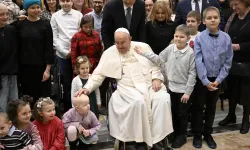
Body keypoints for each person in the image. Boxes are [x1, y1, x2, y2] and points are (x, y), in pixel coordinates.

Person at [75, 28, 173, 150]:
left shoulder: (143, 46)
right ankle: (138, 141)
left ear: (130, 39)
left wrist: (156, 78)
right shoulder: (109, 53)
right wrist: (87, 88)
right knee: (138, 102)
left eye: (123, 42)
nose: (120, 46)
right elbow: (98, 74)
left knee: (162, 98)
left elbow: (156, 65)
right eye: (117, 43)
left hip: (149, 84)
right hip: (128, 87)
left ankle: (159, 140)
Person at [136, 24, 196, 149]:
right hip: (171, 88)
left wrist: (188, 92)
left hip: (183, 91)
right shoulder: (170, 48)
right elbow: (158, 59)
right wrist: (144, 53)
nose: (178, 39)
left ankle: (182, 135)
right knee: (173, 112)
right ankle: (173, 133)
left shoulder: (190, 53)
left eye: (182, 37)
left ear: (188, 38)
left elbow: (192, 74)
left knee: (182, 114)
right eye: (176, 36)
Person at [192, 6, 233, 149]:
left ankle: (207, 134)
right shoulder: (199, 38)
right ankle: (197, 134)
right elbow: (198, 60)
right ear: (203, 21)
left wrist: (218, 80)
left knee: (211, 108)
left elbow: (228, 61)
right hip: (202, 79)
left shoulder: (226, 38)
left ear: (220, 19)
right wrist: (205, 81)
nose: (212, 20)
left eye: (215, 17)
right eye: (209, 18)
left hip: (217, 80)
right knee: (198, 108)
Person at [218, 0, 250, 134]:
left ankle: (245, 120)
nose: (233, 7)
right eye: (232, 5)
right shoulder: (233, 17)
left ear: (246, 3)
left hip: (247, 61)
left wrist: (240, 46)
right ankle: (231, 115)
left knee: (246, 93)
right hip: (232, 61)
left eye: (237, 4)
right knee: (232, 90)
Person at [18, 0, 54, 104]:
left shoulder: (46, 25)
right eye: (32, 8)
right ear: (26, 9)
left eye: (38, 7)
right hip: (25, 68)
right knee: (27, 98)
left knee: (42, 99)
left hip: (41, 68)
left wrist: (47, 70)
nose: (36, 10)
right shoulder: (20, 25)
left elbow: (49, 49)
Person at [51, 0, 83, 112]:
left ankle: (81, 106)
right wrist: (65, 52)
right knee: (66, 82)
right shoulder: (55, 16)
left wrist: (73, 51)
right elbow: (54, 37)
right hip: (62, 54)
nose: (66, 3)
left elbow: (81, 33)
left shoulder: (79, 15)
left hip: (77, 53)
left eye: (68, 1)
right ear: (59, 2)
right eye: (63, 1)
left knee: (79, 79)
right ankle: (69, 109)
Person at [0, 3, 18, 112]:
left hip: (12, 73)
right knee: (2, 105)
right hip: (1, 75)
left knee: (14, 104)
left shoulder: (11, 30)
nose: (5, 17)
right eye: (1, 14)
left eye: (7, 14)